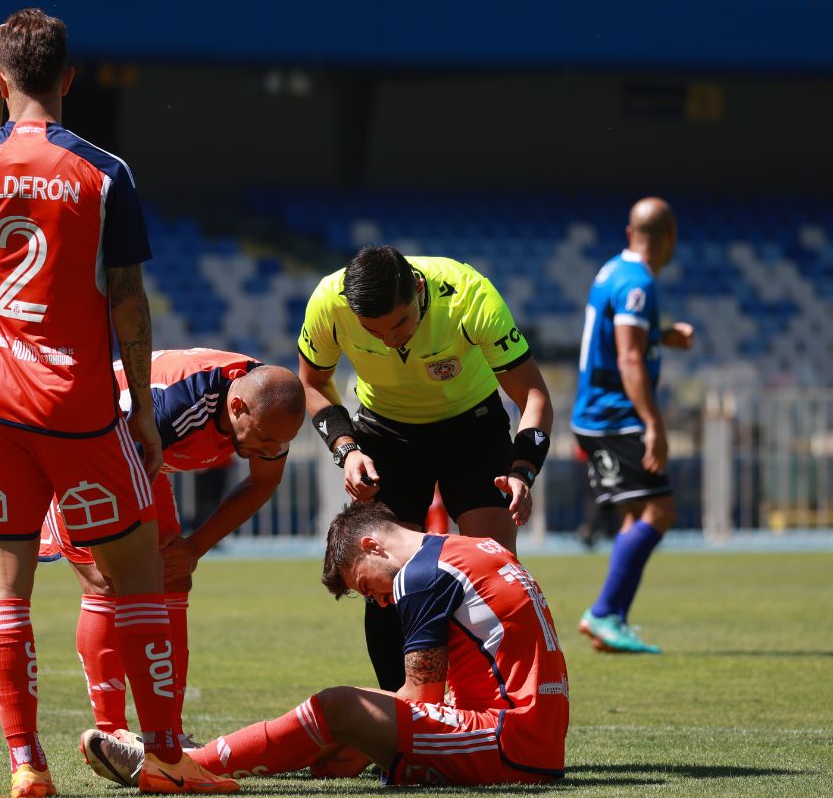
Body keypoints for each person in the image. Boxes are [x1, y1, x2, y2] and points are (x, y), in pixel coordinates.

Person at [0, 11, 236, 795]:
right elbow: (130, 303)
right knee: (139, 575)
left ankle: (25, 764)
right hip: (75, 402)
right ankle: (169, 758)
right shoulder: (104, 172)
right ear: (70, 79)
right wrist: (142, 407)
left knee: (6, 586)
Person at [80, 502, 570, 788]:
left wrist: (355, 739)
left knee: (336, 706)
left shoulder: (419, 576)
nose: (378, 602)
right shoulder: (475, 547)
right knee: (350, 710)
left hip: (508, 741)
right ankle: (191, 759)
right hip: (529, 734)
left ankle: (181, 768)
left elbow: (421, 700)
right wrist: (359, 740)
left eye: (363, 585)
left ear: (371, 546)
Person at [297, 245, 554, 691]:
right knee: (384, 580)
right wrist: (347, 448)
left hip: (473, 427)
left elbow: (533, 395)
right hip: (386, 434)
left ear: (418, 290)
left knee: (492, 566)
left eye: (399, 324)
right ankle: (402, 718)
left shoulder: (469, 294)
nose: (390, 339)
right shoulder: (327, 300)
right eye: (373, 332)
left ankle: (497, 706)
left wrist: (523, 469)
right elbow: (312, 382)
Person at [38, 349, 306, 749]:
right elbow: (93, 463)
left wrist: (195, 547)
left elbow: (263, 482)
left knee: (174, 575)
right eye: (266, 439)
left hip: (142, 461)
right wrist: (92, 557)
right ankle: (110, 732)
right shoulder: (174, 407)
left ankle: (169, 732)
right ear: (237, 408)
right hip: (81, 453)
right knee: (107, 584)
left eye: (282, 442)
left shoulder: (268, 410)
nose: (273, 450)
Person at [572, 197, 693, 654]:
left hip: (601, 412)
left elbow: (616, 337)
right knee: (661, 511)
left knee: (633, 514)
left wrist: (662, 335)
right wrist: (654, 422)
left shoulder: (612, 271)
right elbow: (627, 356)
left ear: (629, 233)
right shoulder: (638, 282)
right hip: (615, 416)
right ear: (671, 237)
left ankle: (614, 621)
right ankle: (603, 613)